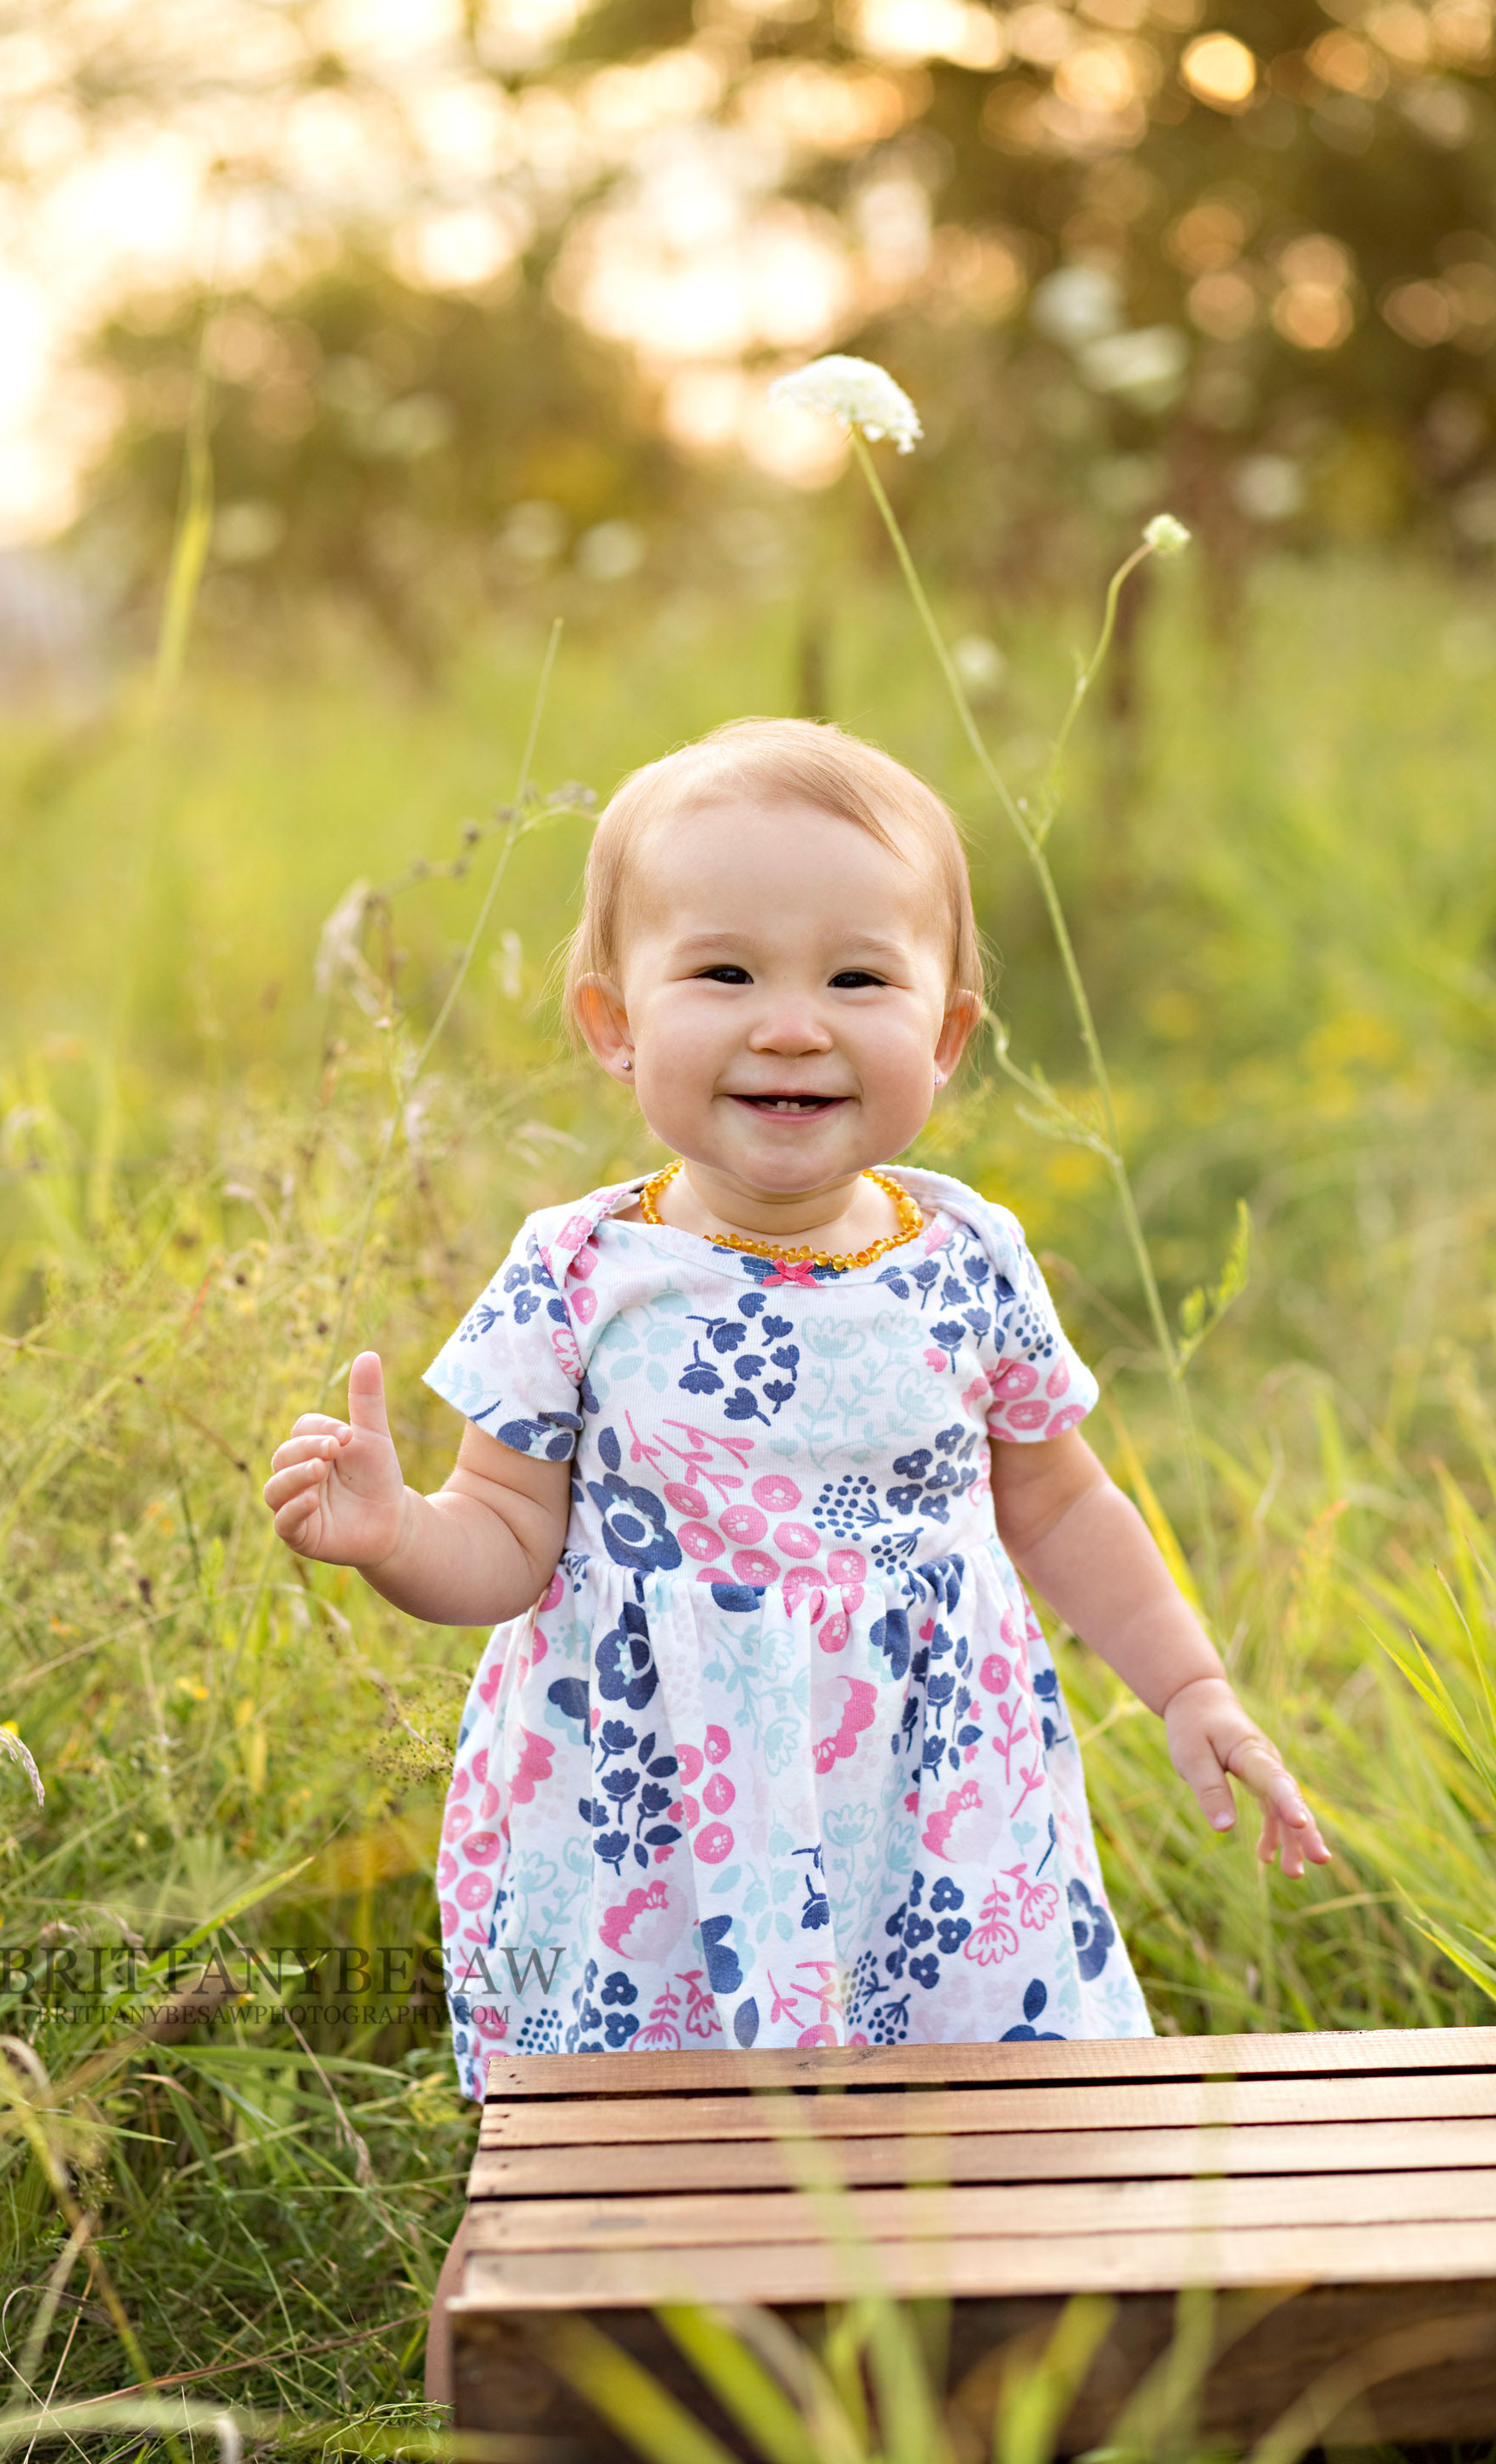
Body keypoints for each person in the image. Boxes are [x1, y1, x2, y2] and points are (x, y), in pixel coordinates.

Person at [263, 716, 1331, 2396]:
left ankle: (968, 2383)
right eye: (725, 973)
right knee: (635, 2148)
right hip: (647, 1811)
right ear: (614, 1023)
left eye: (856, 979)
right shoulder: (579, 1272)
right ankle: (586, 2383)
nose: (791, 1024)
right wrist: (398, 1536)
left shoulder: (971, 1253)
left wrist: (1191, 1686)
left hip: (931, 1795)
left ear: (947, 1031)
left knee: (977, 2117)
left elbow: (1056, 1503)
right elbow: (507, 1536)